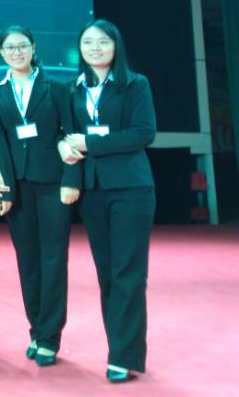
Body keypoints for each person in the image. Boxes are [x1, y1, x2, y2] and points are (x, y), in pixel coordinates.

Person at [62, 19, 156, 383]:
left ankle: (123, 356)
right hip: (93, 191)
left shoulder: (135, 84)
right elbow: (65, 136)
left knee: (127, 272)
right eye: (88, 42)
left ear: (116, 46)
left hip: (131, 189)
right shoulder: (74, 89)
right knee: (107, 274)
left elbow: (143, 133)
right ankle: (118, 346)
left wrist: (90, 143)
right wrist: (67, 146)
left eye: (103, 41)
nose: (95, 48)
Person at [0, 26, 79, 368]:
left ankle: (50, 337)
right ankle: (37, 330)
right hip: (18, 185)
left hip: (53, 183)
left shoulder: (57, 88)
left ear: (33, 47)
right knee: (27, 261)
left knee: (53, 259)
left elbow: (71, 135)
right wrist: (2, 181)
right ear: (1, 53)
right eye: (9, 48)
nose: (16, 52)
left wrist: (72, 179)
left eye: (22, 46)